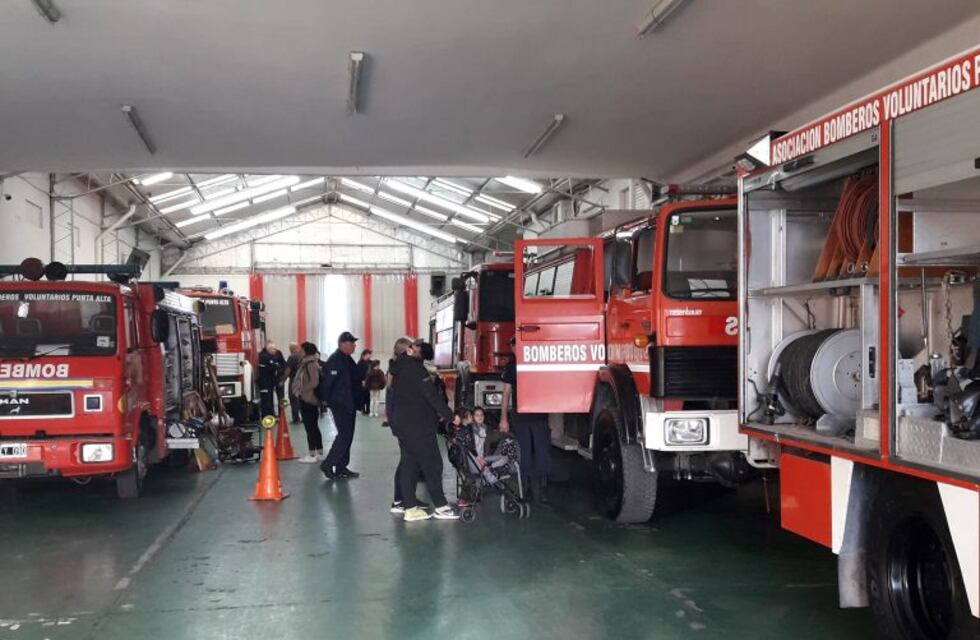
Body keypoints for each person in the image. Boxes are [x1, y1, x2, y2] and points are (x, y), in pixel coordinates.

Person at [390, 340, 460, 521]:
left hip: (403, 424)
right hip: (418, 425)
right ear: (408, 350)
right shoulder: (416, 370)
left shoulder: (398, 368)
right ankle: (441, 506)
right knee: (433, 464)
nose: (418, 348)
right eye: (414, 346)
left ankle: (410, 508)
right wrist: (452, 416)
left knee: (409, 464)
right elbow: (432, 396)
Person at [500, 337, 551, 503]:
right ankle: (527, 490)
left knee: (540, 454)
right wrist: (503, 419)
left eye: (514, 345)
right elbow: (506, 393)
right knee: (526, 454)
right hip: (523, 416)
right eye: (512, 345)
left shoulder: (534, 362)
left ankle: (538, 490)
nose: (514, 348)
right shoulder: (512, 366)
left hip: (537, 415)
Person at [320, 332, 361, 480]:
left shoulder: (347, 359)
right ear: (342, 344)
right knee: (344, 436)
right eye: (352, 343)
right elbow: (328, 383)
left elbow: (356, 377)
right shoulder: (335, 360)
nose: (354, 346)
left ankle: (341, 467)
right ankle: (328, 464)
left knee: (348, 436)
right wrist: (325, 401)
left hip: (349, 402)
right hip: (340, 403)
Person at [292, 341, 324, 463]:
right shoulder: (310, 363)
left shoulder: (309, 364)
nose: (299, 351)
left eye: (301, 349)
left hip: (308, 398)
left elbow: (314, 382)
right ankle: (319, 452)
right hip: (309, 398)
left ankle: (312, 454)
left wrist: (301, 390)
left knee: (309, 426)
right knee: (313, 426)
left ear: (306, 351)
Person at [258, 342, 287, 420]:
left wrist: (279, 370)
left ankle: (281, 416)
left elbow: (283, 364)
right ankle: (269, 416)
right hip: (266, 381)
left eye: (275, 348)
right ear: (269, 349)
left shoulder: (278, 353)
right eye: (273, 349)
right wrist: (276, 365)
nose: (275, 350)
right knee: (268, 399)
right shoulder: (263, 355)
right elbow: (270, 366)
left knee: (281, 398)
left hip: (278, 378)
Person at [282, 341, 303, 423]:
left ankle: (296, 418)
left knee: (294, 399)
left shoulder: (292, 357)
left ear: (292, 349)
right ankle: (305, 417)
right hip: (303, 381)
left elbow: (287, 371)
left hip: (294, 380)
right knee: (302, 400)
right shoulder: (303, 356)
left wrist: (283, 381)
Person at [355, 349, 373, 415]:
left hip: (369, 382)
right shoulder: (360, 363)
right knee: (363, 396)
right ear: (365, 355)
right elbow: (358, 373)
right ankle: (363, 409)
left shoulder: (371, 363)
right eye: (369, 354)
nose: (370, 355)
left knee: (368, 397)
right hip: (362, 381)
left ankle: (368, 409)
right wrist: (362, 380)